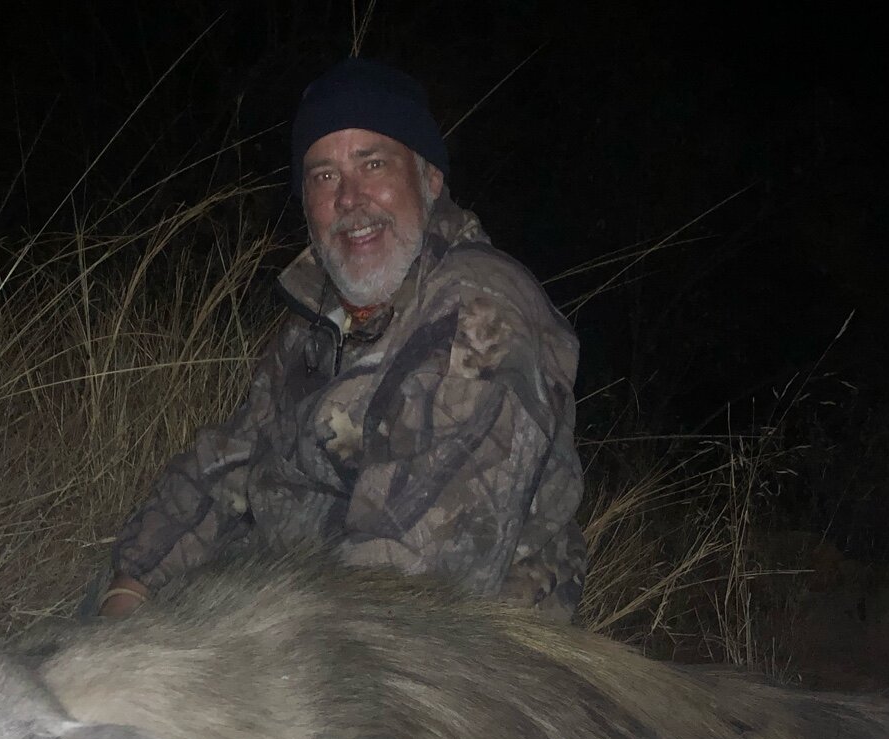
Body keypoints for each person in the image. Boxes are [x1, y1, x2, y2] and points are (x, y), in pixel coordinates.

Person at [88, 58, 587, 622]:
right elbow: (226, 462)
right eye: (324, 175)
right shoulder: (322, 316)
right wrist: (130, 587)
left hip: (437, 667)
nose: (349, 198)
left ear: (430, 180)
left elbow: (407, 595)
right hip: (297, 607)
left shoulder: (479, 316)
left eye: (373, 163)